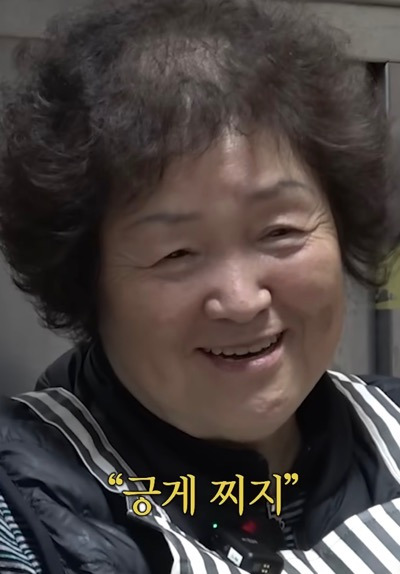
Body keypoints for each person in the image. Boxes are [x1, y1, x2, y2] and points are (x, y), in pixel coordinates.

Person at [0, 0, 399, 572]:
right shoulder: (23, 511)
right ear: (86, 278)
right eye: (177, 253)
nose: (241, 300)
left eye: (280, 231)